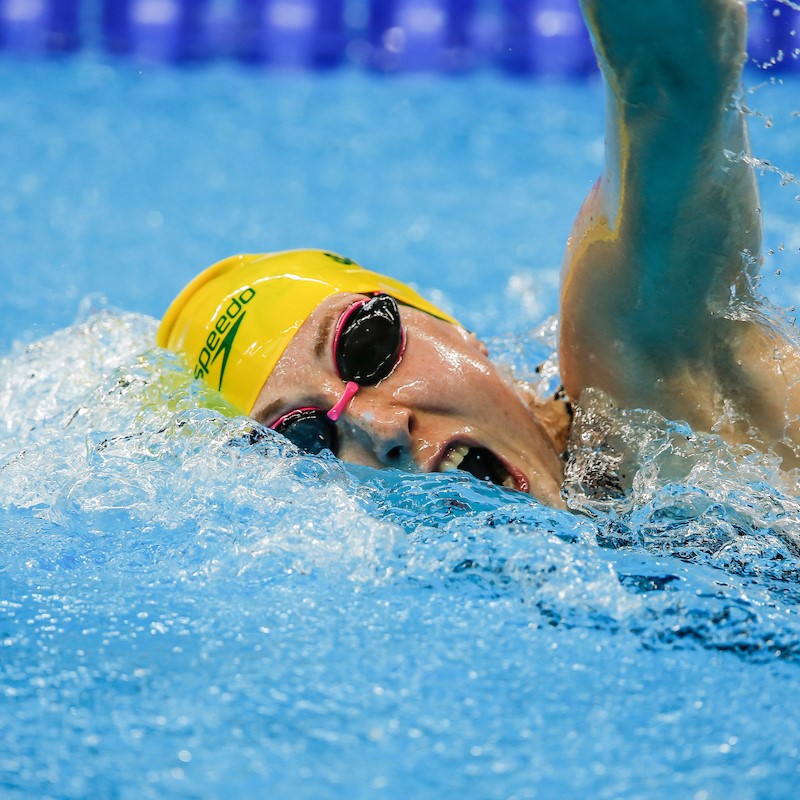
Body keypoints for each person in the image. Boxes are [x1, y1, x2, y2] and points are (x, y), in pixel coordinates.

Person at [157, 0, 799, 508]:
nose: (382, 431)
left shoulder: (644, 382)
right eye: (306, 438)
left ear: (452, 330)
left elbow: (673, 74)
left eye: (367, 346)